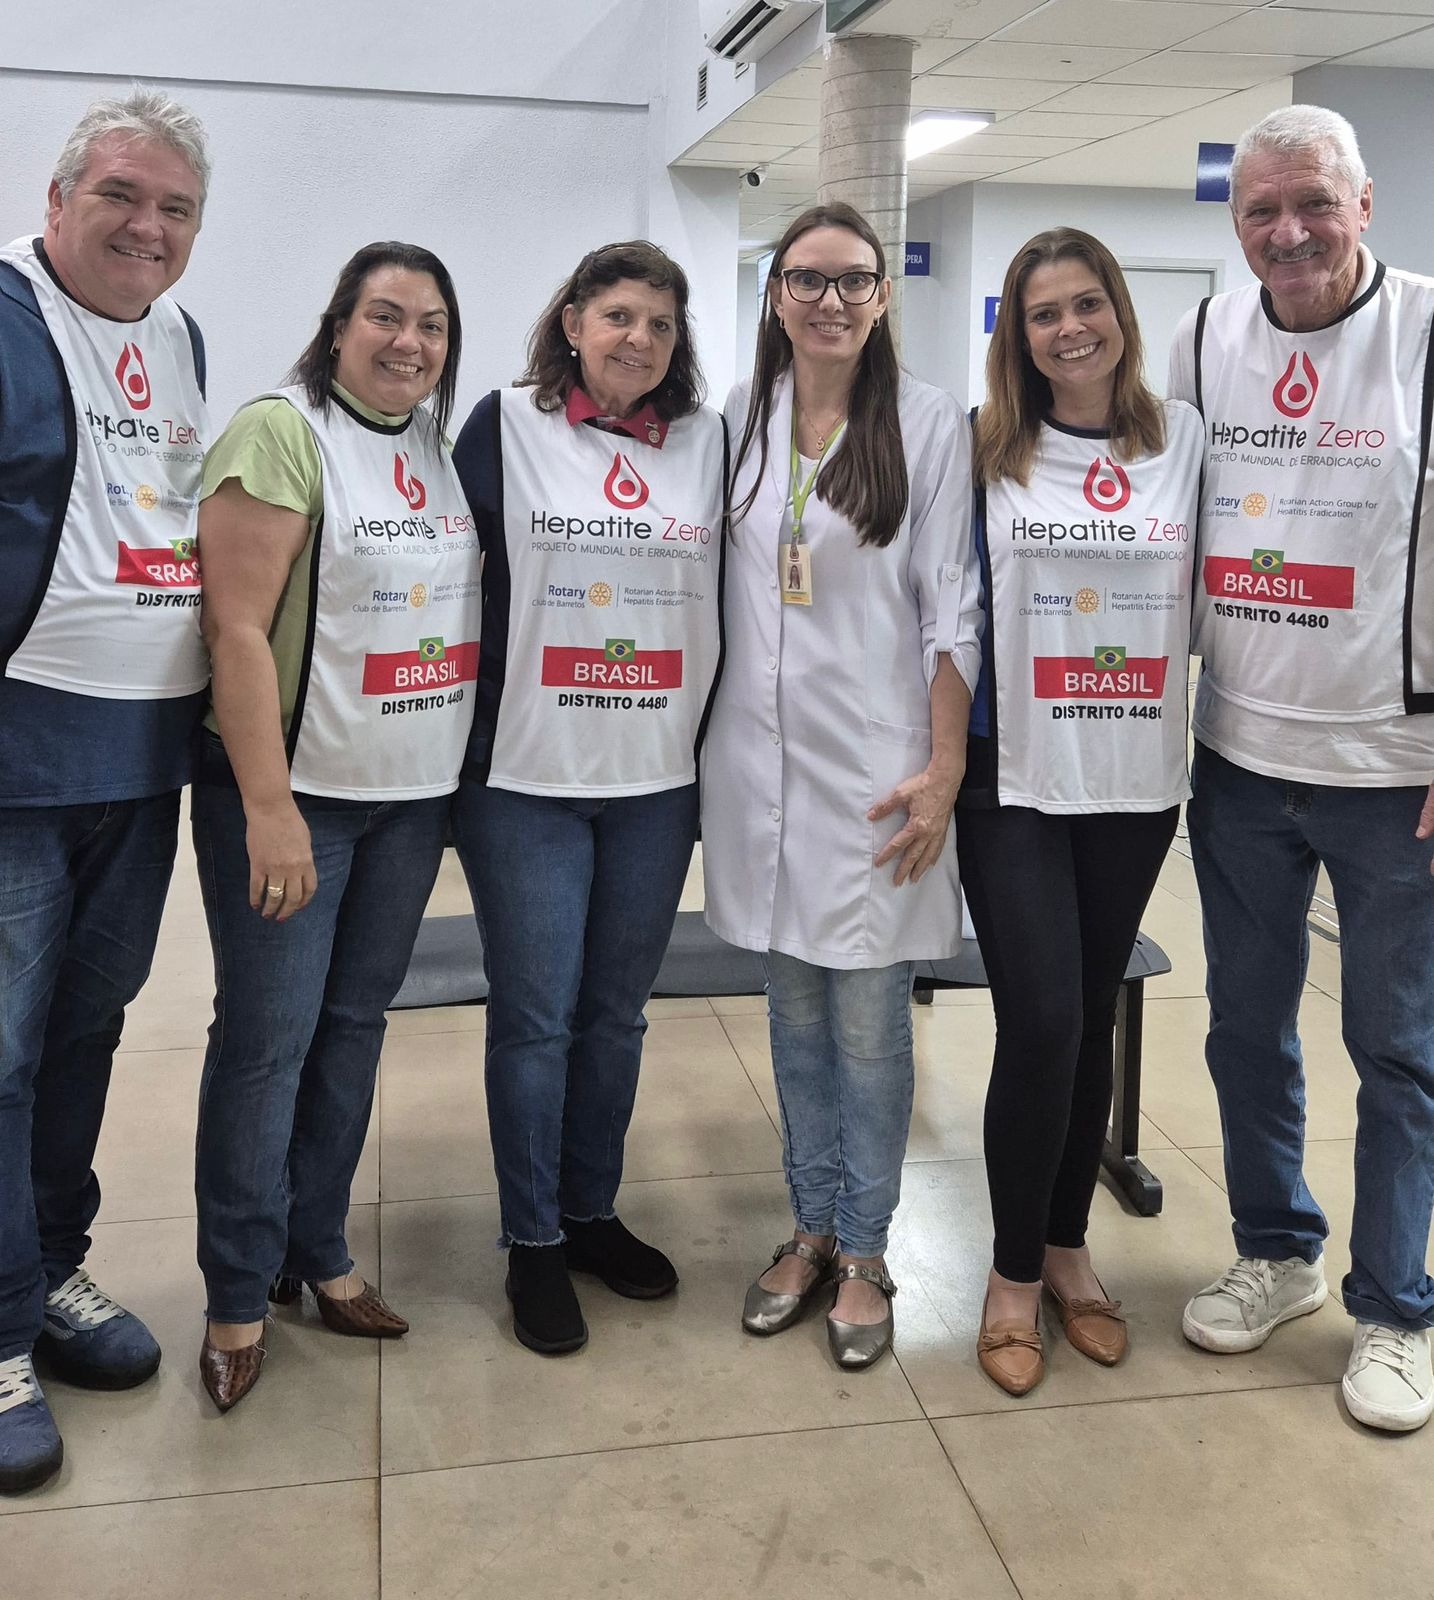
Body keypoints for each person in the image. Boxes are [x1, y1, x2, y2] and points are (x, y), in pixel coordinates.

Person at [1169, 104, 1434, 1433]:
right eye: (1260, 209)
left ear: (1365, 203)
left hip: (1395, 772)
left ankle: (1394, 1309)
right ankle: (1278, 1254)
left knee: (1395, 1050)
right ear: (1235, 222)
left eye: (1311, 204)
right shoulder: (1204, 336)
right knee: (1241, 1029)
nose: (1286, 233)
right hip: (1238, 757)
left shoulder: (1428, 333)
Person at [191, 241, 478, 1411]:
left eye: (432, 325)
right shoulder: (278, 432)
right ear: (339, 322)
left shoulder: (428, 444)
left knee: (352, 1026)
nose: (410, 341)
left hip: (409, 798)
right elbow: (235, 632)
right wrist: (269, 809)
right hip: (297, 799)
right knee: (267, 1043)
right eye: (386, 316)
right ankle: (236, 1292)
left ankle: (321, 1248)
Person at [702, 202, 981, 1370]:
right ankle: (808, 1225)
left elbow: (953, 605)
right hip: (760, 775)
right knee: (793, 1014)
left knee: (869, 1028)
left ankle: (867, 1247)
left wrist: (944, 772)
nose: (829, 301)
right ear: (775, 296)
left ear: (881, 297)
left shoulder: (926, 424)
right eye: (807, 280)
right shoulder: (740, 417)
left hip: (879, 776)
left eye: (853, 281)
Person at [450, 242, 724, 1357]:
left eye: (660, 324)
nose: (638, 341)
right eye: (618, 317)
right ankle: (531, 1243)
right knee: (537, 1016)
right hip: (525, 776)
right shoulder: (503, 425)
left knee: (617, 1014)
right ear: (571, 322)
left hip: (657, 780)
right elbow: (441, 572)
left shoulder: (707, 442)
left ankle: (589, 1210)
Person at [0, 88, 211, 1495]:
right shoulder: (7, 313)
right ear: (61, 192)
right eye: (122, 196)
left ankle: (51, 1270)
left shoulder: (184, 338)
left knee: (86, 1029)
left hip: (142, 759)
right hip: (17, 757)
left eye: (176, 209)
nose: (147, 227)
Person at [961, 229, 1202, 1396]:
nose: (1068, 327)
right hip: (1011, 776)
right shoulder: (986, 449)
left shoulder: (1183, 442)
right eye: (1041, 311)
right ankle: (1011, 1273)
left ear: (1120, 309)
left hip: (1135, 776)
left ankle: (1067, 1247)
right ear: (1017, 332)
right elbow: (945, 620)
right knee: (1045, 1019)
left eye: (1086, 302)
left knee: (1094, 1012)